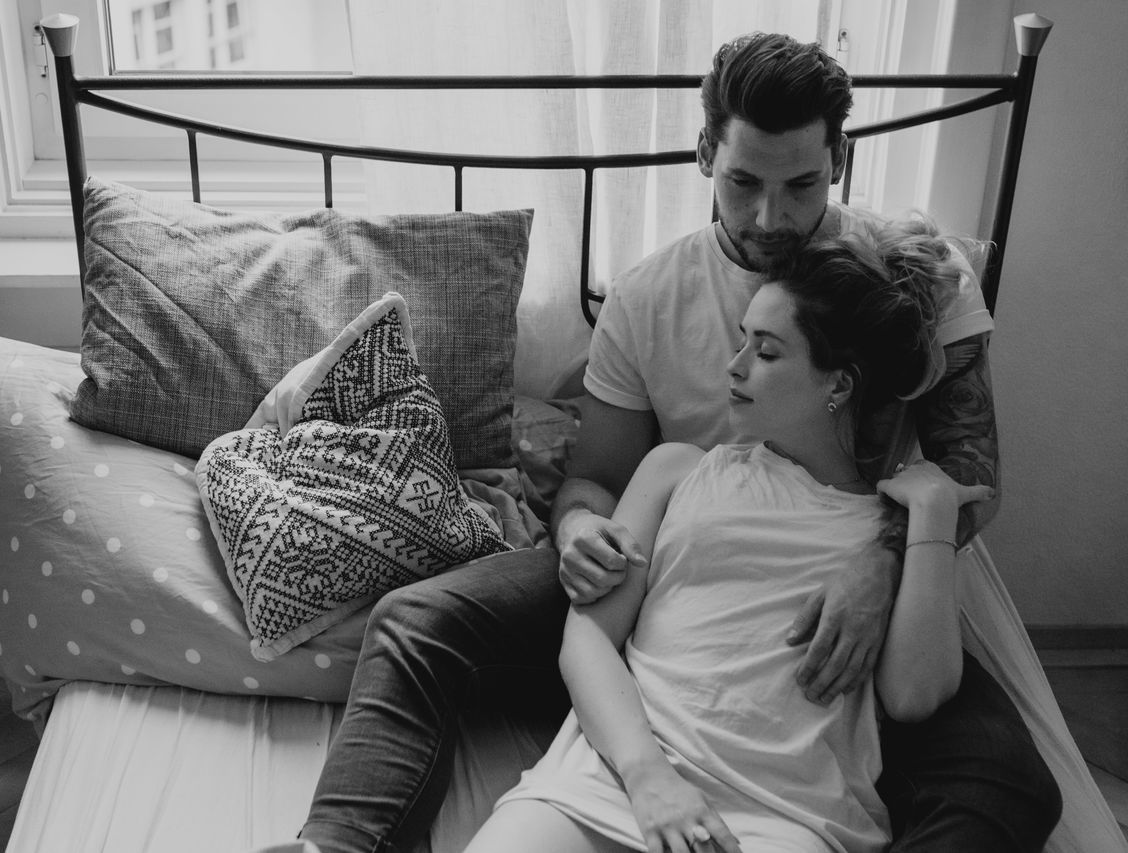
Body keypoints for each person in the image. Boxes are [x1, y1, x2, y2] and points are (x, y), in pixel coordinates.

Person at [295, 32, 1059, 853]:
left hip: (850, 574)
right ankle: (333, 845)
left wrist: (884, 562)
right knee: (419, 620)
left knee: (1009, 781)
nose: (772, 217)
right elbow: (595, 482)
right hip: (672, 552)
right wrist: (582, 531)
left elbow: (970, 464)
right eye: (743, 183)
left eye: (801, 183)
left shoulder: (904, 276)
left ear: (839, 157)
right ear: (704, 153)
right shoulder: (650, 296)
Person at [464, 222, 989, 853]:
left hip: (784, 814)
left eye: (766, 353)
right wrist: (648, 776)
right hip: (609, 781)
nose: (734, 367)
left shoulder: (893, 532)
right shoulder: (676, 469)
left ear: (839, 385)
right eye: (744, 341)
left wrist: (931, 514)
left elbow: (914, 695)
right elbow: (586, 641)